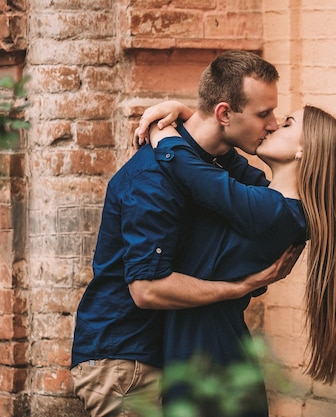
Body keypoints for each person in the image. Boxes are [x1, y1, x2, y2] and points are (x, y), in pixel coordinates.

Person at [70, 50, 304, 417]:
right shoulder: (155, 179)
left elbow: (236, 186)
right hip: (127, 362)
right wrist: (239, 287)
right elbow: (147, 289)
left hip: (168, 353)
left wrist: (182, 112)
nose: (272, 124)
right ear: (225, 113)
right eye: (264, 114)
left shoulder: (212, 167)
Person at [141, 103, 336, 416]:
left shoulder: (274, 212)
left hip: (208, 353)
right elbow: (230, 164)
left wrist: (161, 130)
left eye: (286, 124)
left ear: (303, 150)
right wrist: (189, 113)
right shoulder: (274, 203)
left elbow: (195, 175)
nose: (271, 127)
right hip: (210, 344)